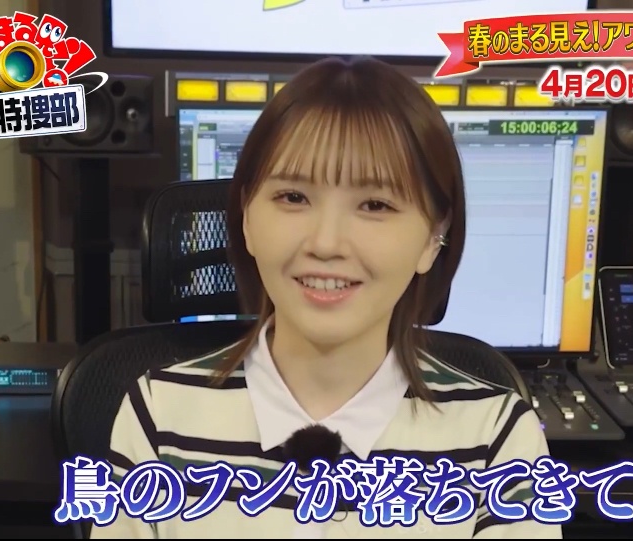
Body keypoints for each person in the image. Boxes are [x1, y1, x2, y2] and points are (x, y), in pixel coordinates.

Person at [94, 56, 560, 539]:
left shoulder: (498, 441)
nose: (326, 243)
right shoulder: (158, 416)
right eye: (293, 197)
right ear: (247, 217)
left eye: (375, 204)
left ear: (431, 238)